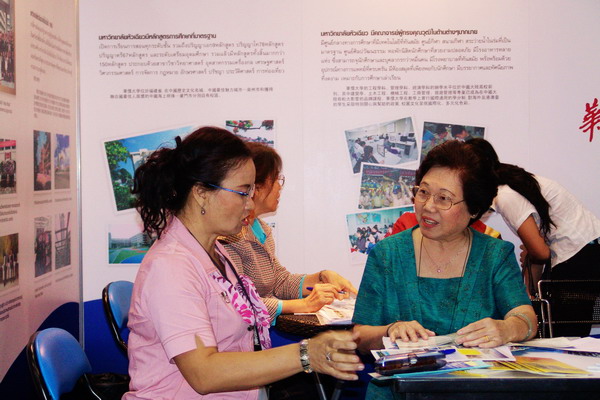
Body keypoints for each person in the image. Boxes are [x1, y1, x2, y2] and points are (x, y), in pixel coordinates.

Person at [125, 127, 363, 400]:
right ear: (201, 193)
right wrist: (307, 353)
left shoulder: (215, 252)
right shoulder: (170, 267)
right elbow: (204, 373)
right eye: (242, 192)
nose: (250, 205)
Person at [352, 140, 535, 400]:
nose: (428, 206)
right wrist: (389, 330)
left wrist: (507, 329)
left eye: (443, 198)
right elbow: (359, 336)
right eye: (423, 192)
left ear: (474, 208)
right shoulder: (387, 254)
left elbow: (525, 318)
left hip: (476, 393)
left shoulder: (494, 255)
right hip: (399, 395)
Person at [466, 138, 600, 335]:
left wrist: (525, 293)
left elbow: (540, 253)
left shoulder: (505, 196)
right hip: (586, 252)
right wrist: (527, 293)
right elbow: (535, 249)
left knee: (565, 335)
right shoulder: (514, 183)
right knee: (566, 332)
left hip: (578, 257)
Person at [220, 142, 357, 323]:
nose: (279, 187)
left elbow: (279, 281)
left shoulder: (261, 229)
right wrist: (303, 305)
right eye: (275, 179)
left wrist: (321, 277)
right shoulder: (228, 236)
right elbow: (238, 302)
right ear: (254, 186)